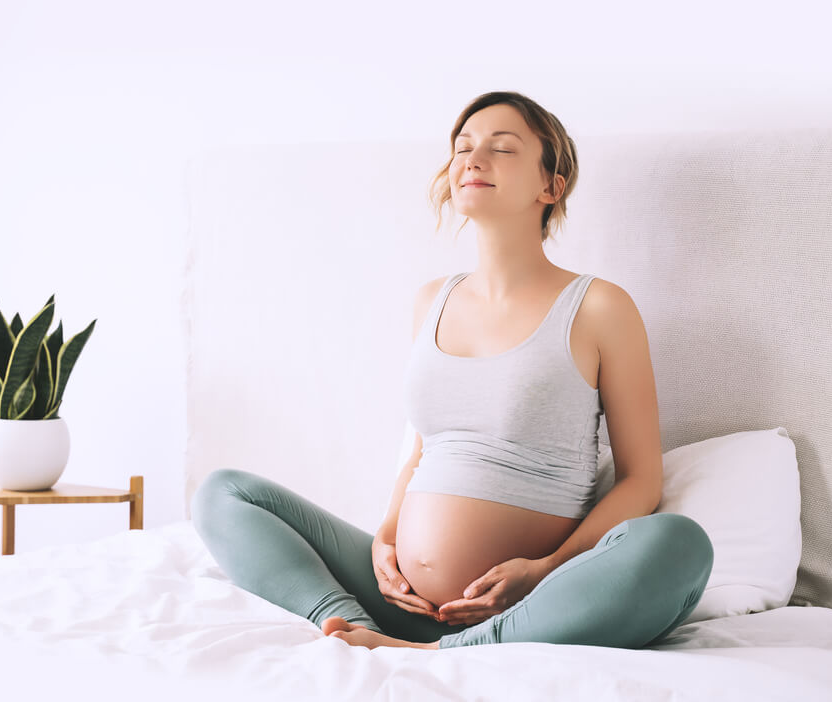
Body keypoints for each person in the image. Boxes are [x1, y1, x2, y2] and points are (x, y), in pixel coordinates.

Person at [190, 90, 714, 650]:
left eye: (502, 148)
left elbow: (641, 479)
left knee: (681, 545)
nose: (472, 158)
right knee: (224, 494)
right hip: (401, 597)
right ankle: (348, 624)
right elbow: (426, 448)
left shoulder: (599, 308)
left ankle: (447, 654)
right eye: (463, 147)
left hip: (535, 601)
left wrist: (547, 567)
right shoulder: (431, 300)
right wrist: (386, 539)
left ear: (550, 186)